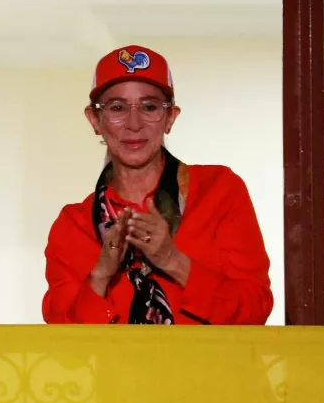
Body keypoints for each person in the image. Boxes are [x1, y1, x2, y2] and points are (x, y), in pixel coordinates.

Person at [42, 45, 272, 325]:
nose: (134, 124)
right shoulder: (73, 225)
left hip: (213, 369)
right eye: (117, 108)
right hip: (115, 370)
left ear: (170, 117)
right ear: (95, 121)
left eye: (150, 107)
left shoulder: (219, 190)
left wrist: (173, 260)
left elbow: (254, 312)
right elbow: (66, 353)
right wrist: (101, 274)